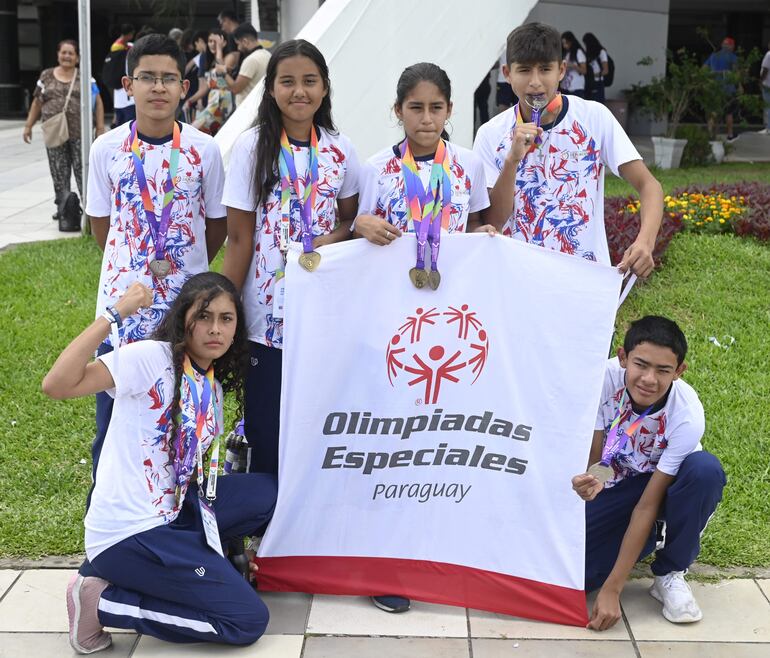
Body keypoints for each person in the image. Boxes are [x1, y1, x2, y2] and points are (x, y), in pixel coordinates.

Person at [42, 273, 278, 654]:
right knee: (247, 620)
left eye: (226, 319)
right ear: (184, 319)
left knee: (271, 493)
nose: (215, 329)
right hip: (130, 532)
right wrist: (115, 313)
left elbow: (192, 474)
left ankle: (215, 563)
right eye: (204, 317)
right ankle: (100, 602)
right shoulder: (149, 358)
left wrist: (220, 551)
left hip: (176, 511)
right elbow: (56, 384)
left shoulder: (212, 387)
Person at [355, 63, 493, 614]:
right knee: (392, 444)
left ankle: (440, 551)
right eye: (416, 107)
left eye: (437, 107)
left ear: (451, 110)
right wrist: (360, 225)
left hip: (452, 328)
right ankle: (384, 562)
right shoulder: (375, 169)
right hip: (392, 330)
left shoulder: (469, 165)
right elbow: (355, 231)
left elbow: (479, 226)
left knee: (441, 443)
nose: (427, 118)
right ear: (398, 111)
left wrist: (483, 236)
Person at [85, 33, 227, 492]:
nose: (158, 87)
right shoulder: (106, 148)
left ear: (185, 86)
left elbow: (216, 225)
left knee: (185, 417)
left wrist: (182, 268)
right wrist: (134, 267)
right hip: (124, 309)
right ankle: (106, 524)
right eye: (147, 77)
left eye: (169, 78)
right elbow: (102, 226)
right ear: (129, 85)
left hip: (185, 308)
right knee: (113, 423)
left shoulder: (204, 150)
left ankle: (182, 517)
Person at [222, 39, 360, 478]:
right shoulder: (251, 147)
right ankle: (266, 512)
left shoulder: (341, 149)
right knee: (267, 426)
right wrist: (226, 308)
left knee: (317, 424)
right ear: (271, 89)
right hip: (266, 317)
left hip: (323, 312)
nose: (299, 91)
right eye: (287, 82)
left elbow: (352, 222)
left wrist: (324, 241)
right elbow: (239, 238)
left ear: (324, 88)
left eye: (309, 81)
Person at [474, 22, 662, 279]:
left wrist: (645, 242)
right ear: (507, 73)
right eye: (524, 70)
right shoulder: (490, 134)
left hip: (583, 280)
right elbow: (492, 222)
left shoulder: (594, 118)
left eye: (545, 69)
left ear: (561, 70)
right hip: (515, 278)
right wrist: (512, 161)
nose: (535, 82)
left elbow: (649, 185)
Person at [572, 316, 726, 630]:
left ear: (679, 371)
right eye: (641, 364)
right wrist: (586, 484)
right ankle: (648, 539)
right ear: (623, 357)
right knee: (575, 576)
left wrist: (613, 589)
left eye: (663, 370)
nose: (649, 379)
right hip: (615, 485)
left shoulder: (687, 414)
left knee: (705, 470)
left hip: (664, 489)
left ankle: (670, 571)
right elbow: (594, 461)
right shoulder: (601, 380)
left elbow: (647, 505)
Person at [23, 39, 105, 230]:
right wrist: (28, 125)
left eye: (71, 53)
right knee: (59, 172)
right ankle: (64, 208)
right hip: (54, 132)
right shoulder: (46, 76)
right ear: (58, 55)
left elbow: (98, 101)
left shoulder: (86, 77)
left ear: (77, 58)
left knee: (83, 171)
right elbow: (37, 102)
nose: (67, 56)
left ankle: (89, 209)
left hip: (79, 133)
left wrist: (100, 127)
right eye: (64, 52)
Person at [184, 29, 236, 135]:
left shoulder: (230, 56)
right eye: (210, 41)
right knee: (197, 129)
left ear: (223, 42)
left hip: (223, 101)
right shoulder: (210, 60)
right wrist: (190, 100)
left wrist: (219, 49)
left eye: (215, 41)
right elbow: (205, 88)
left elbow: (221, 71)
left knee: (195, 129)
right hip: (213, 101)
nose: (212, 44)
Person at [219, 23, 271, 108]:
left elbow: (236, 89)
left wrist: (223, 73)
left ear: (245, 41)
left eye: (238, 44)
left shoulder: (251, 60)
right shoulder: (267, 54)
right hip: (259, 105)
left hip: (247, 109)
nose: (238, 48)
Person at [705, 37, 739, 141]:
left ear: (722, 45)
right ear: (731, 46)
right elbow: (736, 74)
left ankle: (710, 134)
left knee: (713, 111)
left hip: (714, 88)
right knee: (729, 113)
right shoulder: (733, 57)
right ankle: (730, 135)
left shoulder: (713, 56)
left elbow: (704, 70)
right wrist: (739, 85)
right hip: (728, 89)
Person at [104, 24, 136, 127]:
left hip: (118, 89)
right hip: (124, 92)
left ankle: (114, 121)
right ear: (129, 34)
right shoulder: (121, 48)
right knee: (128, 123)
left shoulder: (123, 46)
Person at [582, 32, 609, 103]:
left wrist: (593, 75)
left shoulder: (601, 52)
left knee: (598, 103)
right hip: (589, 82)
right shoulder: (588, 53)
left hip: (598, 82)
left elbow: (605, 70)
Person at [560, 31, 586, 98]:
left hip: (576, 87)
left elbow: (584, 70)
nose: (564, 46)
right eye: (563, 43)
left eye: (566, 43)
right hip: (565, 87)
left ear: (571, 42)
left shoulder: (578, 52)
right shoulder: (566, 53)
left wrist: (573, 66)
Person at [758, 40, 770, 135]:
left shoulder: (769, 54)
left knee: (767, 106)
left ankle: (768, 128)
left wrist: (761, 81)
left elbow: (765, 69)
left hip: (767, 84)